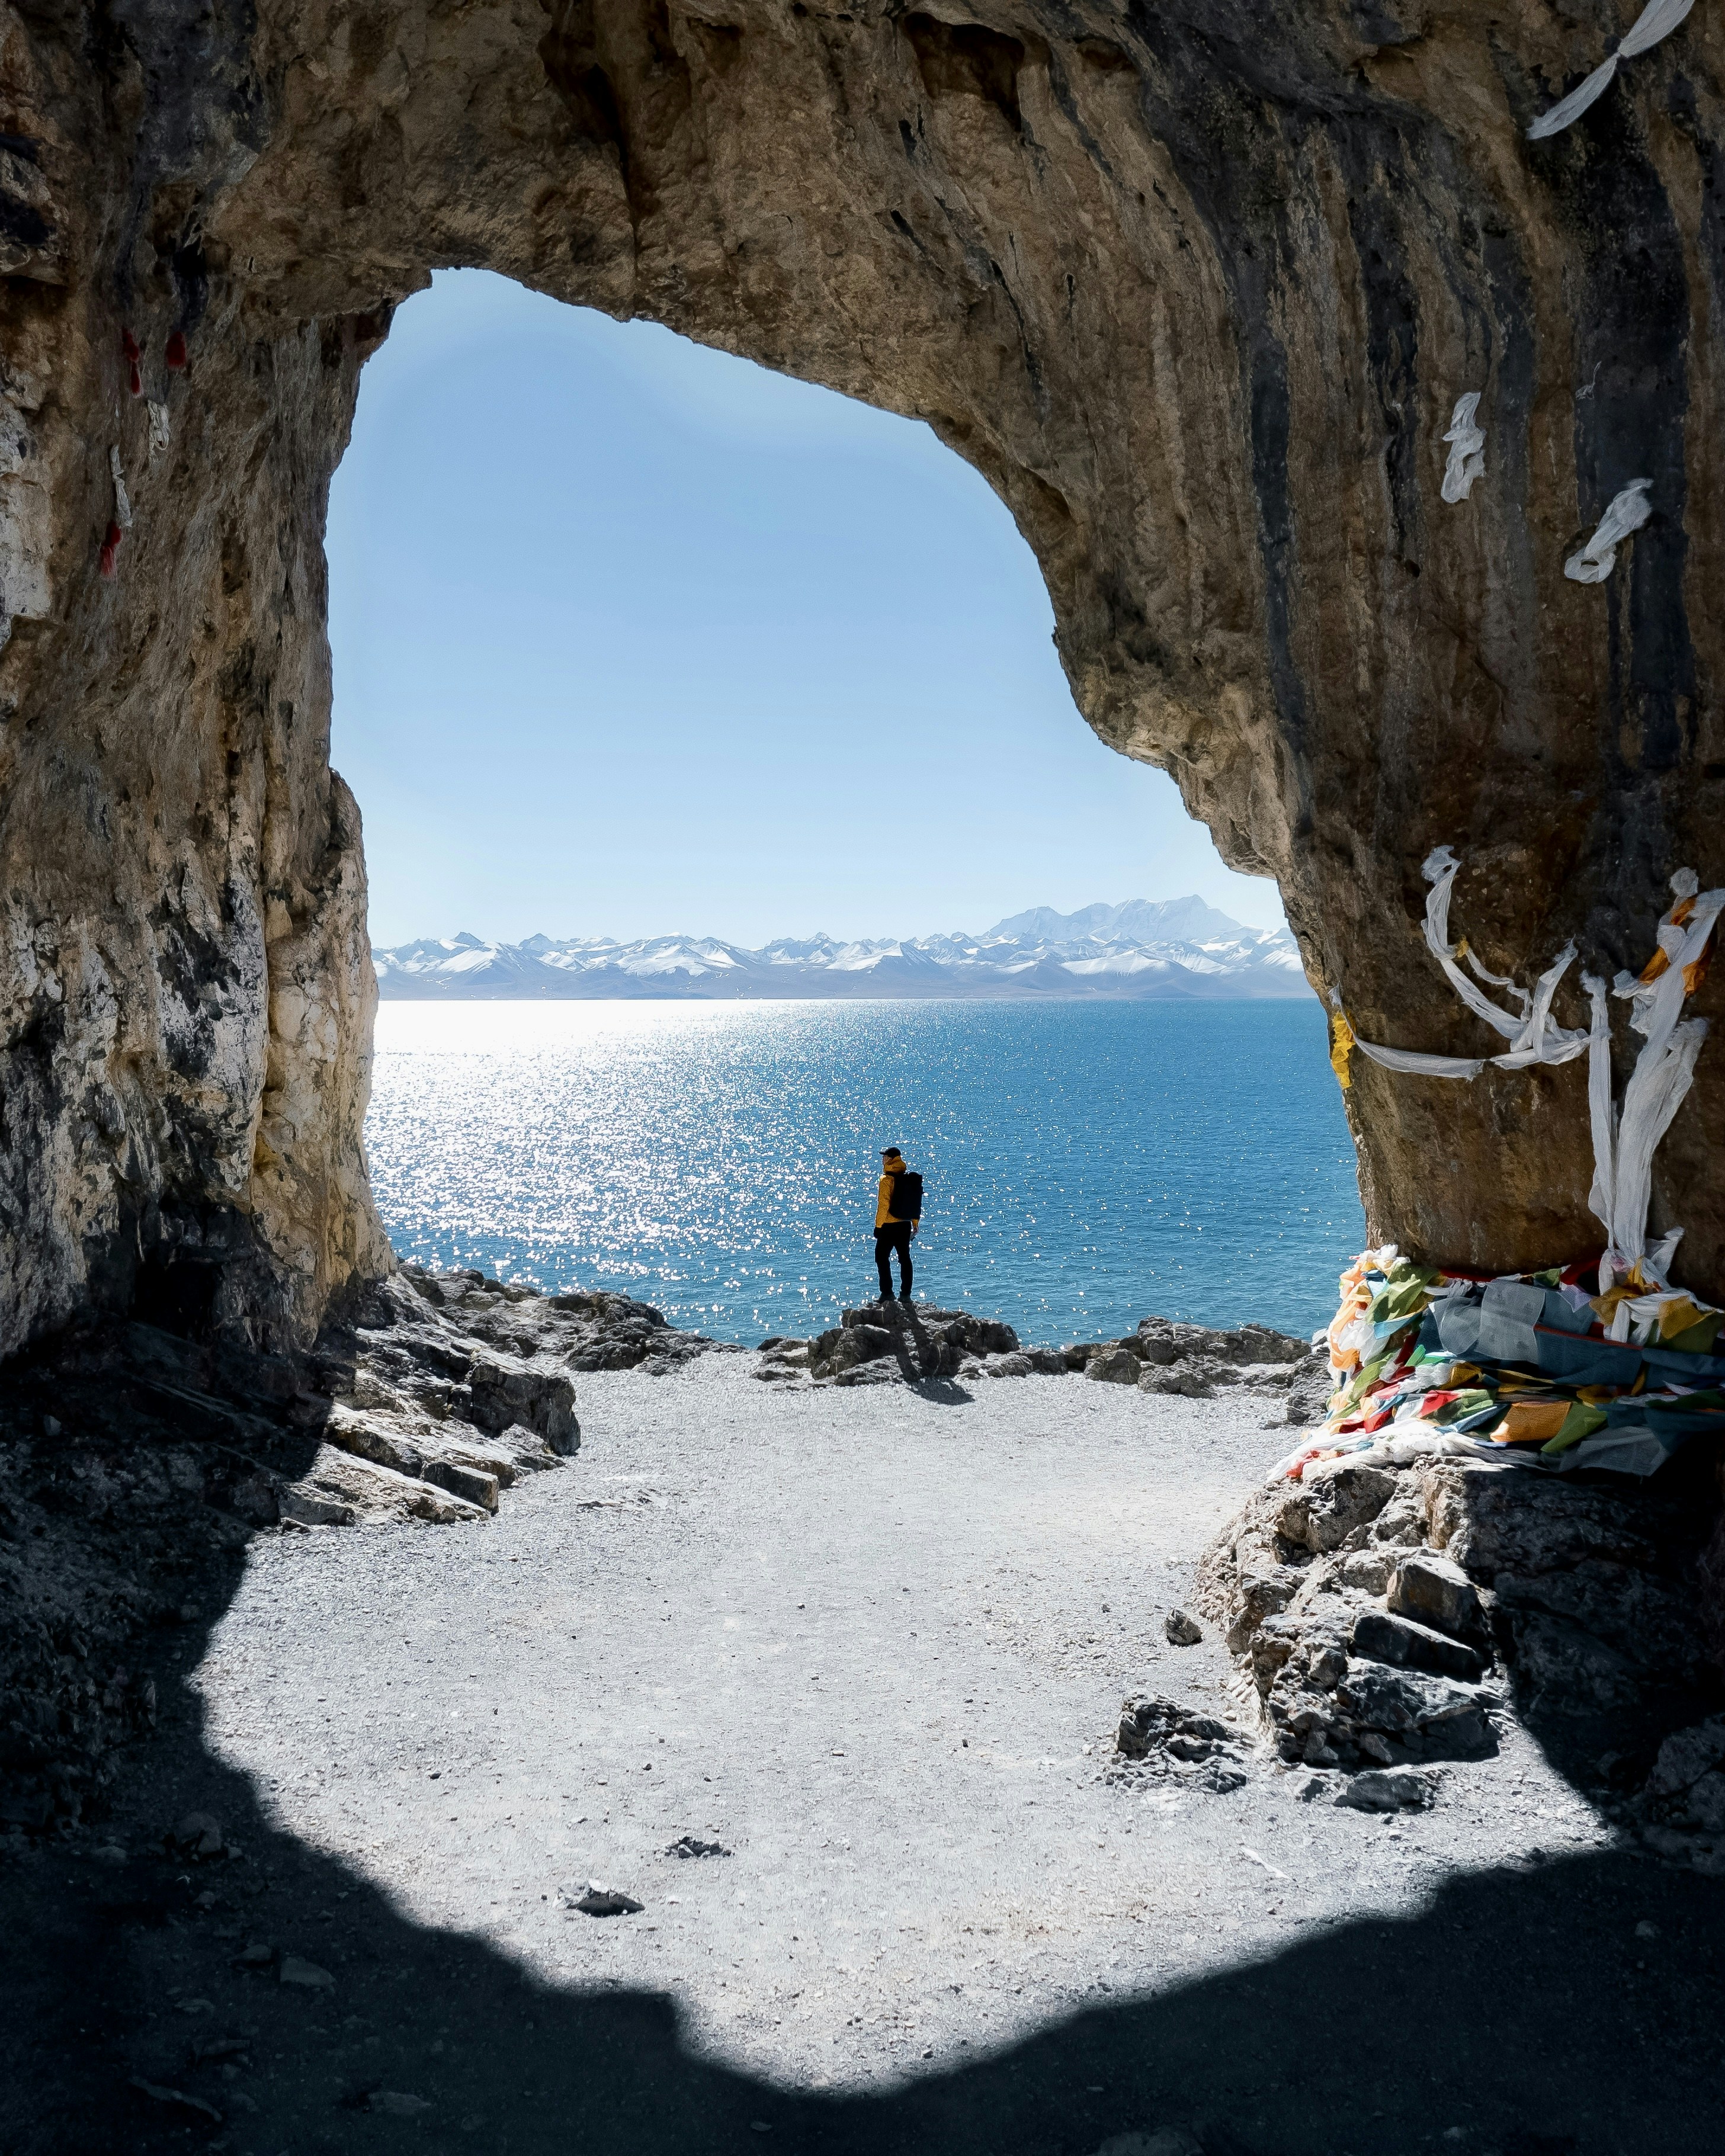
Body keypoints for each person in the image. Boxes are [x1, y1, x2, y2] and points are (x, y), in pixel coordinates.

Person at [874, 1146, 920, 1304]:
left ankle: (887, 1293)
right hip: (904, 1225)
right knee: (905, 1259)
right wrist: (915, 1223)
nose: (882, 1159)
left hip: (888, 1225)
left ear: (890, 1159)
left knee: (881, 1257)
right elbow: (914, 1202)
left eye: (885, 1156)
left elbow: (884, 1205)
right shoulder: (907, 1178)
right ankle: (906, 1295)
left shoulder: (886, 1180)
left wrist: (878, 1227)